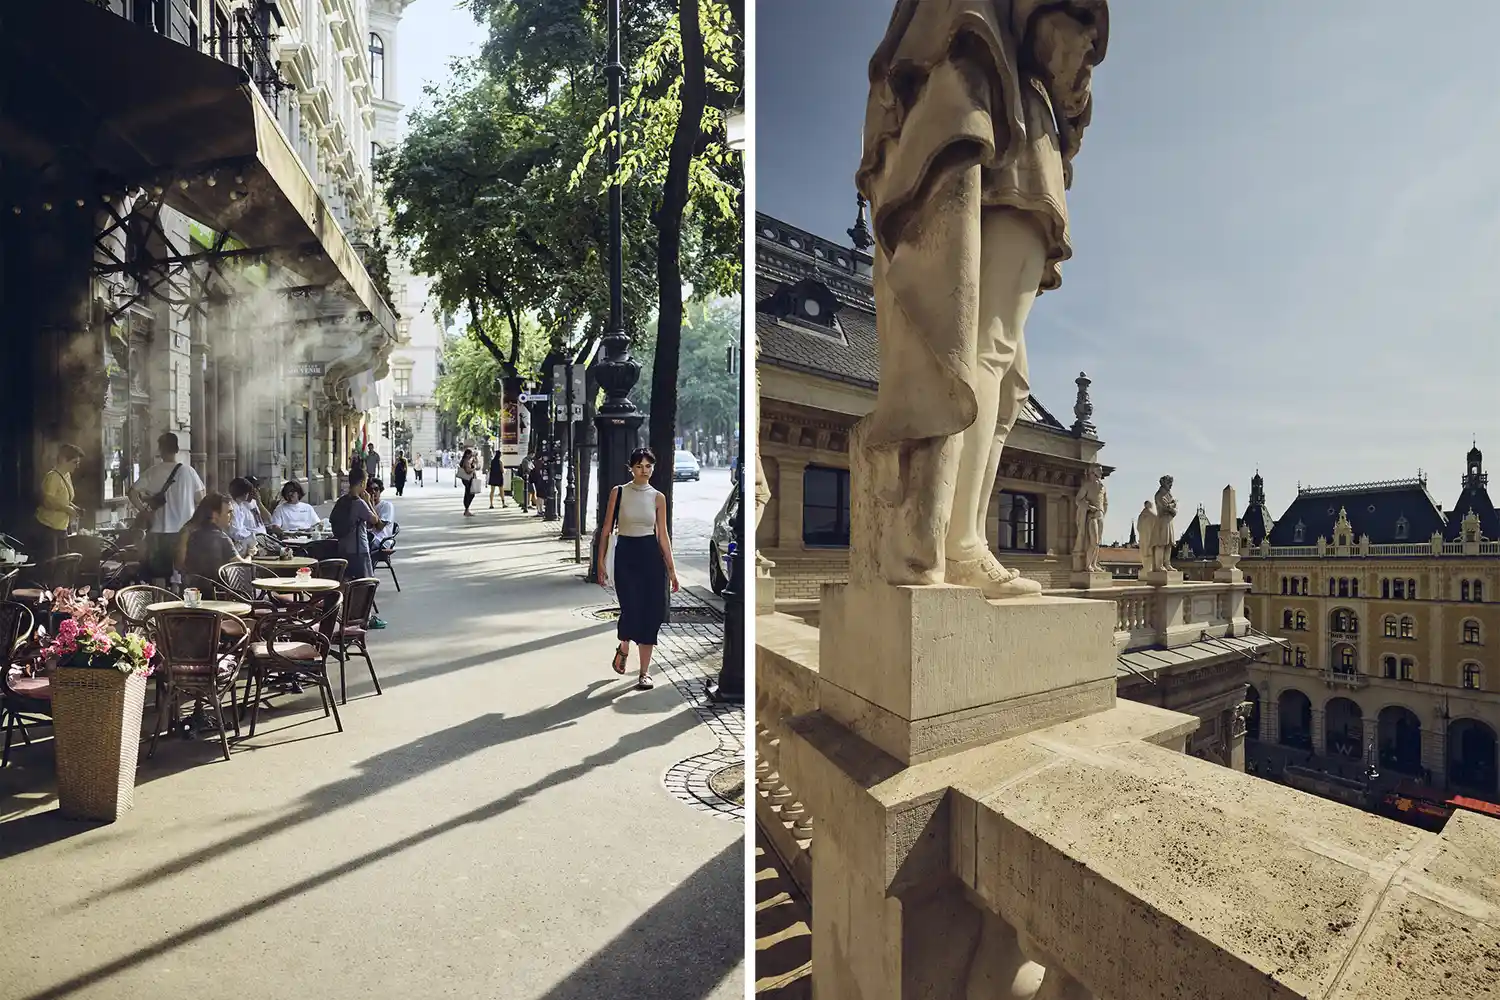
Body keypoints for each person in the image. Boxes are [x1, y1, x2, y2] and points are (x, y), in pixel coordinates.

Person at [596, 447, 679, 690]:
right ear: (631, 468)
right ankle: (624, 644)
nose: (644, 470)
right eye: (640, 466)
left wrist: (672, 570)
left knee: (650, 613)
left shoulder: (658, 497)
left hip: (650, 555)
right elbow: (606, 529)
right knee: (631, 608)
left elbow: (662, 535)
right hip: (626, 554)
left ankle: (644, 673)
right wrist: (600, 561)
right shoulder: (619, 492)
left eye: (649, 466)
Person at [130, 432, 206, 584]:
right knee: (182, 574)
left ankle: (160, 602)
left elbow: (132, 492)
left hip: (158, 532)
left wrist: (144, 511)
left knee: (158, 576)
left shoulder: (153, 472)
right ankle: (179, 601)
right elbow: (202, 500)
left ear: (160, 449)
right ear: (177, 449)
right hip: (183, 532)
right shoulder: (188, 471)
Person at [178, 492, 251, 583]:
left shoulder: (188, 531)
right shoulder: (221, 538)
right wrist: (250, 555)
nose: (232, 517)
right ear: (215, 515)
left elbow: (179, 565)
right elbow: (244, 567)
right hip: (219, 592)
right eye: (229, 512)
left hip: (191, 591)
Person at [331, 468, 383, 583]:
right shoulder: (359, 503)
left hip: (343, 547)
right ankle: (362, 601)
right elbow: (375, 520)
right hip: (359, 549)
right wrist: (369, 502)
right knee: (365, 582)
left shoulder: (342, 501)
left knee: (346, 580)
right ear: (362, 483)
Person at [33, 443, 83, 562]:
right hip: (48, 528)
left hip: (61, 528)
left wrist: (74, 508)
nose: (77, 466)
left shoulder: (67, 475)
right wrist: (67, 509)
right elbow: (47, 501)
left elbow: (64, 500)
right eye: (75, 462)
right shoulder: (53, 477)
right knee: (51, 564)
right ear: (63, 460)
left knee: (64, 563)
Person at [362, 478, 393, 629]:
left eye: (376, 489)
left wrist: (369, 504)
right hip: (367, 540)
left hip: (381, 541)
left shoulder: (386, 506)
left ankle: (365, 579)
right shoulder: (362, 505)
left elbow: (379, 525)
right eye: (370, 489)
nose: (373, 492)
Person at [226, 478, 268, 556]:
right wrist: (250, 537)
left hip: (247, 540)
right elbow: (234, 532)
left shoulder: (239, 506)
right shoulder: (232, 507)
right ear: (244, 493)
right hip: (238, 544)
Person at [456, 449, 479, 516]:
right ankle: (466, 509)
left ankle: (467, 509)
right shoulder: (466, 461)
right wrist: (473, 468)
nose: (471, 455)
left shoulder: (466, 460)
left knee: (468, 493)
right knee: (470, 494)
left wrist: (474, 461)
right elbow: (468, 471)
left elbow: (477, 465)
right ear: (467, 454)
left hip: (466, 479)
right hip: (468, 479)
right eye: (470, 454)